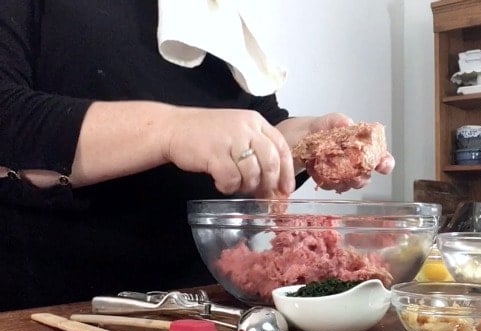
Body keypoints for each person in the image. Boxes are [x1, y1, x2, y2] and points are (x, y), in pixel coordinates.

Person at [0, 1, 395, 311]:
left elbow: (256, 126)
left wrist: (307, 140)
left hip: (205, 305)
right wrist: (171, 131)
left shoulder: (210, 10)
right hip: (51, 309)